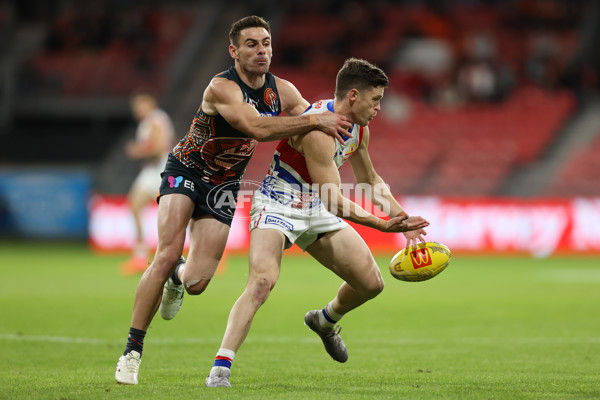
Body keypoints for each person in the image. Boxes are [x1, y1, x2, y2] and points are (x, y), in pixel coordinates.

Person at [114, 15, 352, 385]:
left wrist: (341, 137)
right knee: (164, 253)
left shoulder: (282, 91)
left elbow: (313, 124)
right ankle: (132, 351)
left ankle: (178, 276)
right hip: (186, 171)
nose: (262, 51)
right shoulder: (222, 87)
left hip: (225, 186)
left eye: (267, 43)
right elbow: (258, 127)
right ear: (234, 51)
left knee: (197, 281)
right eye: (252, 44)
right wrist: (314, 122)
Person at [203, 58, 430, 388]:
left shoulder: (359, 130)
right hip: (278, 201)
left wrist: (402, 217)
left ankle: (324, 321)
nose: (379, 108)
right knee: (263, 281)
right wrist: (382, 226)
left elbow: (369, 179)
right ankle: (220, 368)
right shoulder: (317, 128)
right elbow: (335, 200)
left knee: (371, 284)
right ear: (353, 96)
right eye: (375, 99)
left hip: (315, 206)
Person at [120, 89, 175, 276]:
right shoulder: (152, 121)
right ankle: (140, 257)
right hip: (153, 171)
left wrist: (137, 151)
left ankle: (141, 256)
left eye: (140, 105)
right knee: (136, 206)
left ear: (150, 103)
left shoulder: (155, 120)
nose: (137, 109)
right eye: (135, 106)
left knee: (177, 214)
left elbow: (159, 148)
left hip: (159, 171)